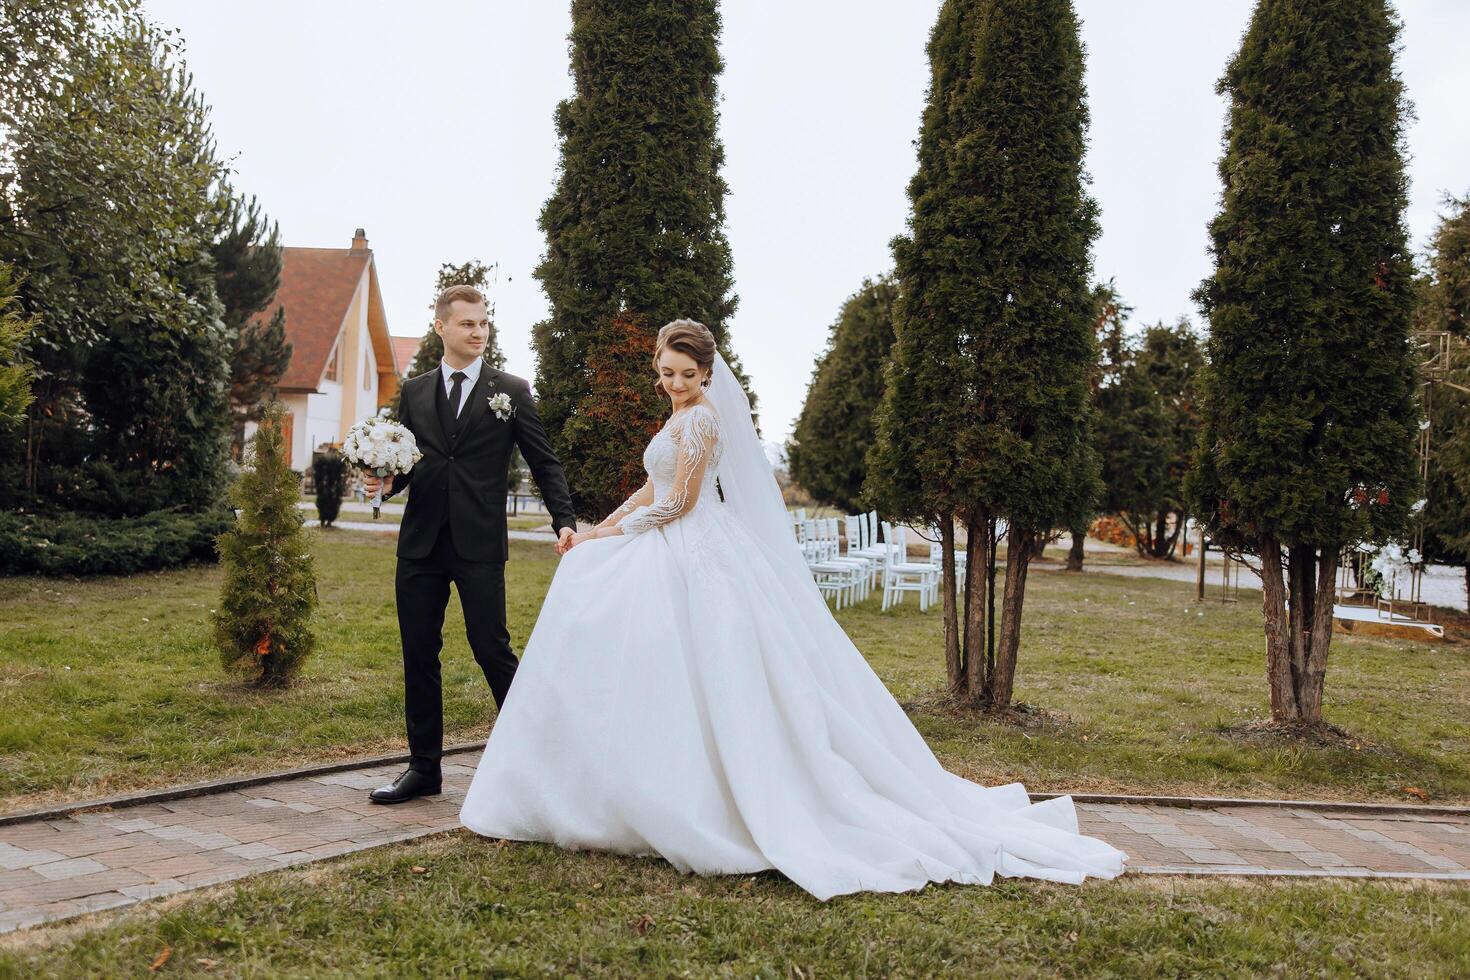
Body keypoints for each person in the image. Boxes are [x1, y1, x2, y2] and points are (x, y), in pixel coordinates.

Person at [459, 318, 1125, 900]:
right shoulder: (674, 413)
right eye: (665, 373)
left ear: (707, 373)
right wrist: (603, 523)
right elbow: (650, 484)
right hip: (663, 541)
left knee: (712, 670)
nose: (674, 383)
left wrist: (613, 535)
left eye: (686, 375)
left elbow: (683, 503)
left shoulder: (705, 418)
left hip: (696, 549)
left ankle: (713, 798)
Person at [362, 285, 577, 805]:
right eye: (467, 324)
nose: (478, 332)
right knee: (419, 653)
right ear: (442, 328)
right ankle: (423, 770)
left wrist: (563, 521)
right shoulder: (413, 393)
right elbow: (408, 462)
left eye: (483, 324)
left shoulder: (511, 390)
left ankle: (543, 758)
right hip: (420, 545)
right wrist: (386, 483)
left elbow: (544, 462)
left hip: (479, 543)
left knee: (491, 649)